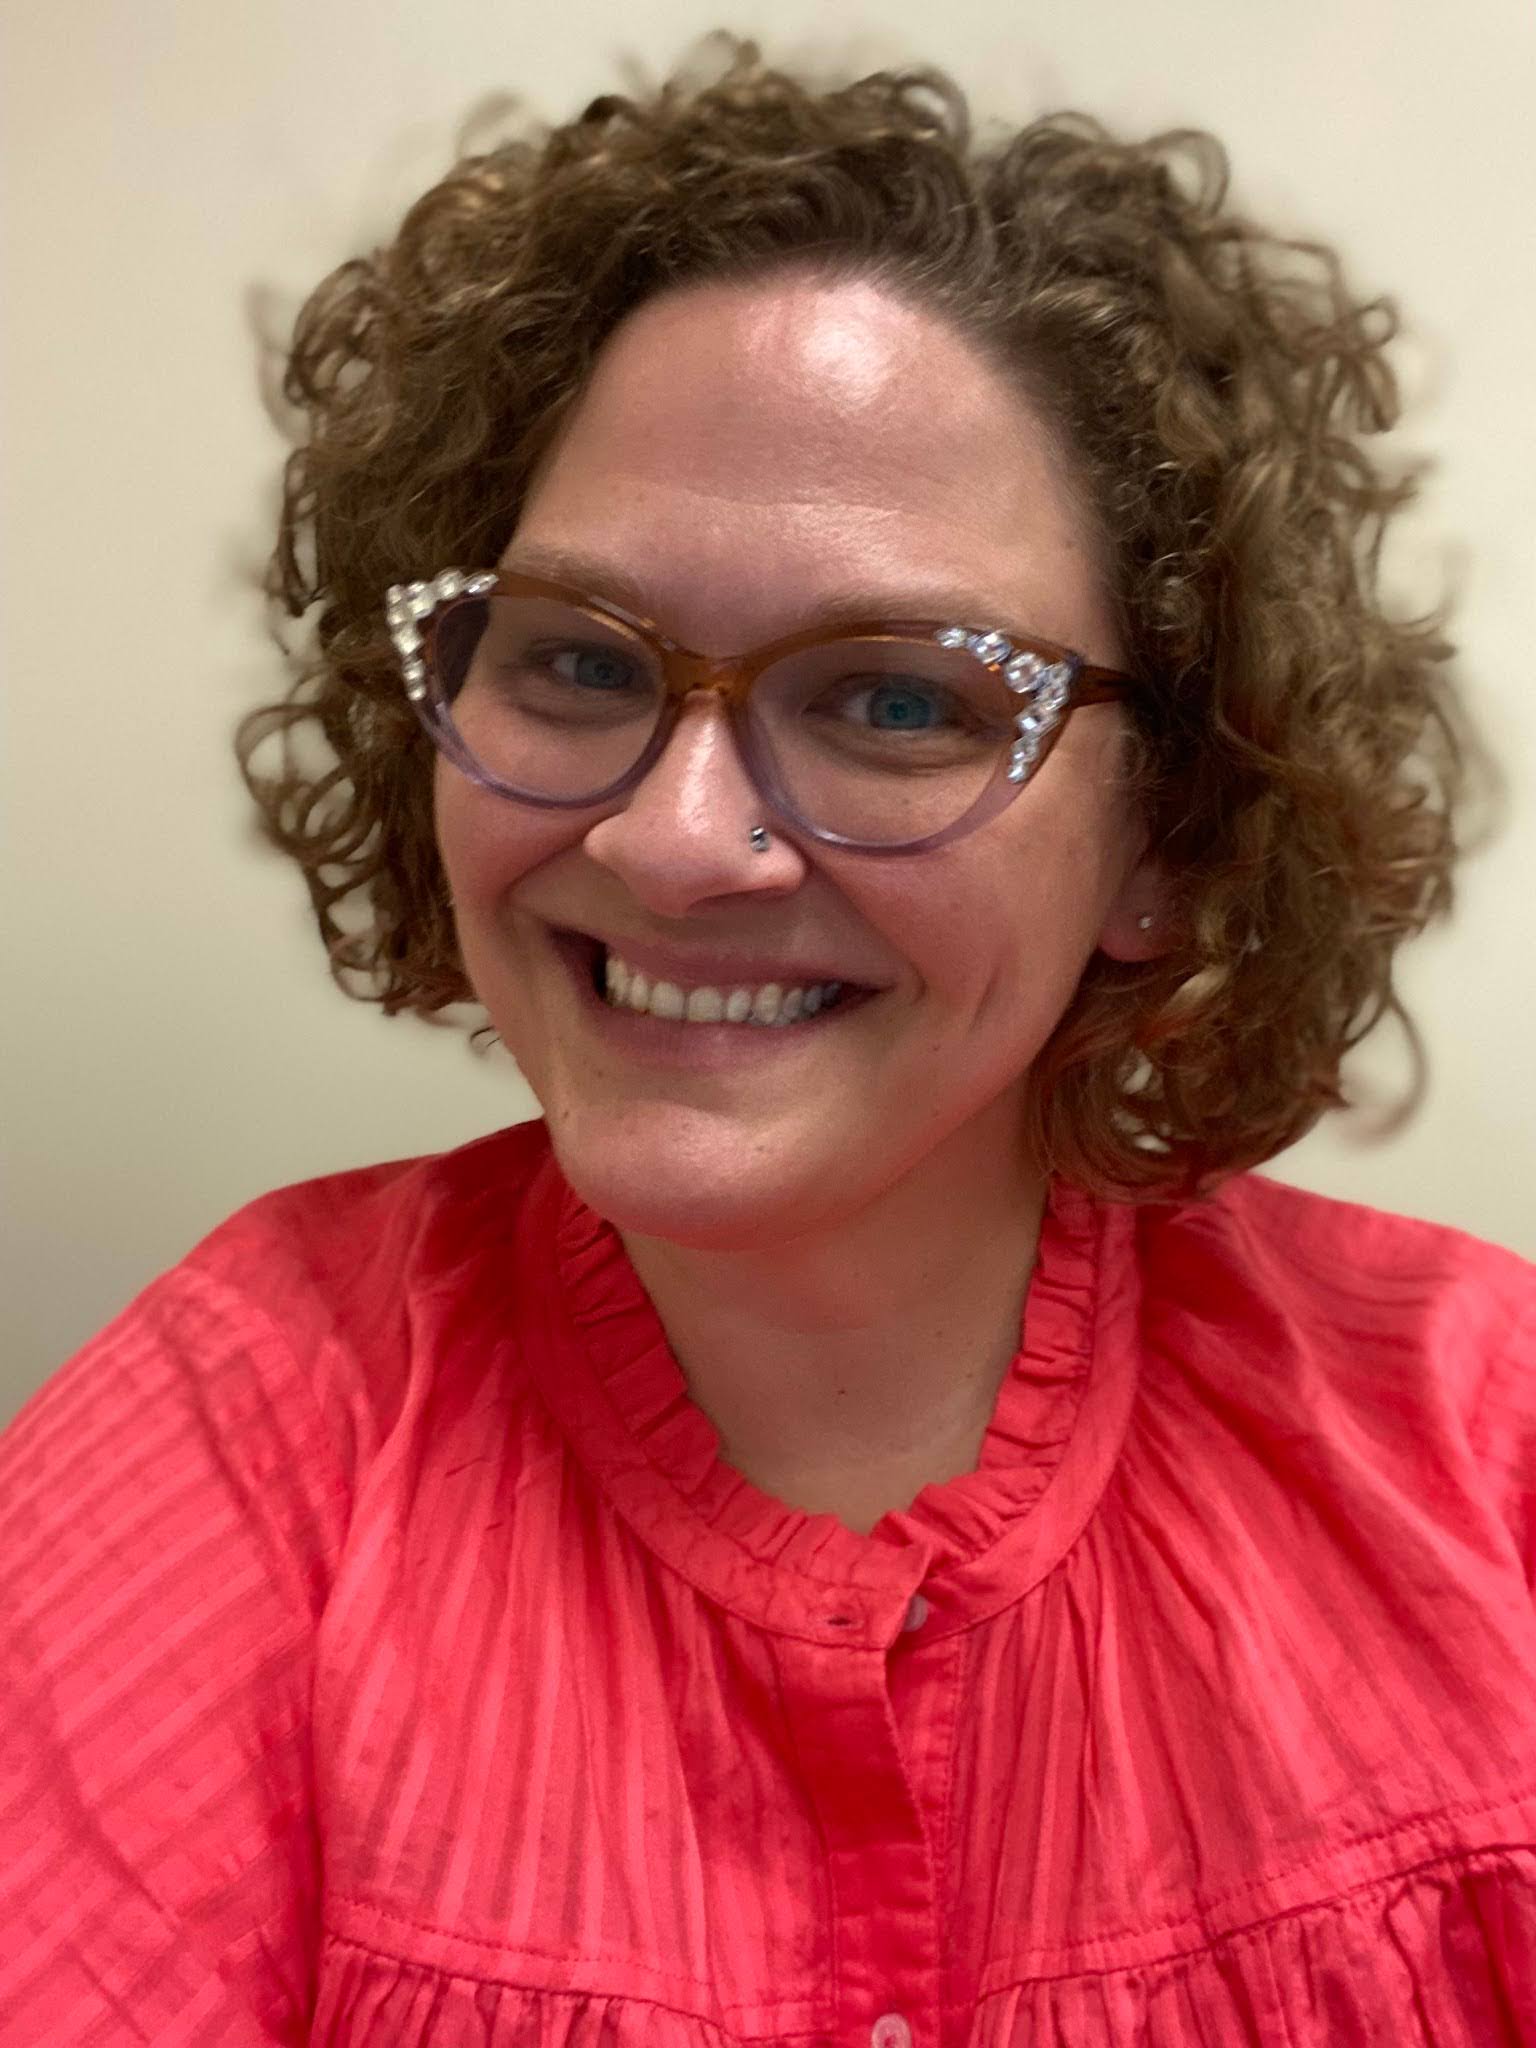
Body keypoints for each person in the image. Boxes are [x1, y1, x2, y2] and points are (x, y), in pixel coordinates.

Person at [2, 40, 1532, 2048]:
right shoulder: (239, 1447)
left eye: (895, 700)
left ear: (1167, 830)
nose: (669, 838)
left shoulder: (1482, 1459)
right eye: (575, 658)